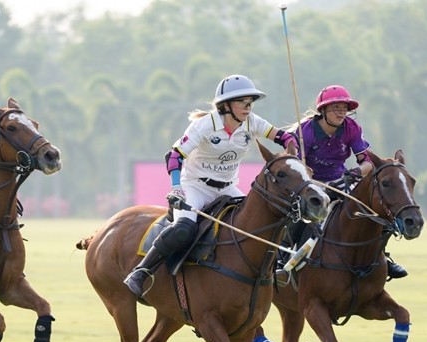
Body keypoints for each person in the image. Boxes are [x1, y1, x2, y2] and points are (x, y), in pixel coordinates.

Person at [123, 74, 297, 297]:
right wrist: (176, 188)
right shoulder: (205, 125)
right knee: (183, 229)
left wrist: (292, 147)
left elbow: (285, 137)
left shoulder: (252, 122)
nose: (248, 106)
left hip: (228, 187)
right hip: (196, 186)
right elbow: (175, 156)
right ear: (225, 105)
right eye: (242, 101)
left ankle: (278, 269)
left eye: (250, 101)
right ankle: (141, 272)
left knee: (261, 221)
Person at [274, 84, 407, 284]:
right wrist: (311, 181)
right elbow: (297, 166)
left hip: (341, 179)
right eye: (336, 107)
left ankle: (384, 257)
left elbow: (367, 161)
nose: (341, 112)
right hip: (310, 183)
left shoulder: (351, 128)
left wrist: (355, 172)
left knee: (373, 211)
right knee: (299, 217)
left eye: (344, 107)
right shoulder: (305, 132)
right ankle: (282, 260)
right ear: (323, 110)